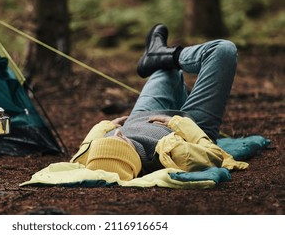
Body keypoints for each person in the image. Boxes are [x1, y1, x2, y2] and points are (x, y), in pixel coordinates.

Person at [70, 23, 243, 181]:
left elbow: (84, 149)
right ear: (132, 157)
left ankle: (157, 54)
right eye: (120, 141)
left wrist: (105, 127)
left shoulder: (93, 158)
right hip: (190, 126)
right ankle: (170, 55)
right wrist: (177, 122)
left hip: (141, 115)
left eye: (107, 140)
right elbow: (214, 155)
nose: (118, 134)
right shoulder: (173, 154)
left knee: (165, 69)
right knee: (223, 50)